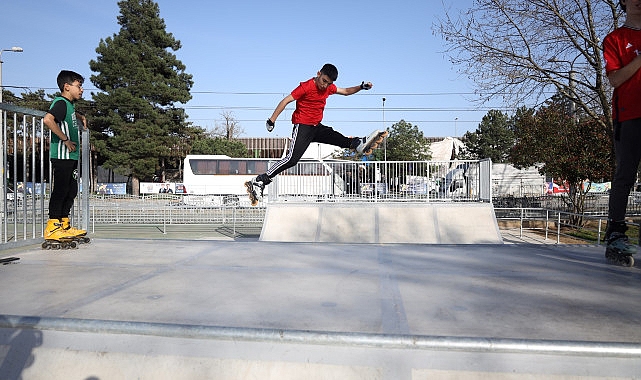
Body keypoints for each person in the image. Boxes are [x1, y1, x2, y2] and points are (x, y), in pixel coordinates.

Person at [245, 63, 384, 203]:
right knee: (292, 159)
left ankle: (357, 143)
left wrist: (361, 87)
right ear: (318, 74)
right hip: (303, 127)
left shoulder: (329, 87)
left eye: (329, 83)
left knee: (335, 136)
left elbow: (346, 91)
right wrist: (271, 120)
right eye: (324, 81)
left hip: (316, 127)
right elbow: (285, 101)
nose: (325, 86)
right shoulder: (306, 86)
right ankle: (259, 180)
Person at [602, 0, 641, 263]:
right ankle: (616, 233)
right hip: (630, 116)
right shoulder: (615, 38)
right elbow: (614, 79)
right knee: (626, 173)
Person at [43, 70, 87, 242]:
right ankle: (53, 226)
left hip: (71, 157)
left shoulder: (69, 106)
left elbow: (68, 114)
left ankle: (64, 224)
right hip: (62, 155)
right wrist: (65, 139)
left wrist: (79, 116)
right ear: (67, 87)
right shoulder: (61, 102)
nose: (81, 90)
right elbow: (48, 119)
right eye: (79, 86)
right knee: (61, 190)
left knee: (71, 190)